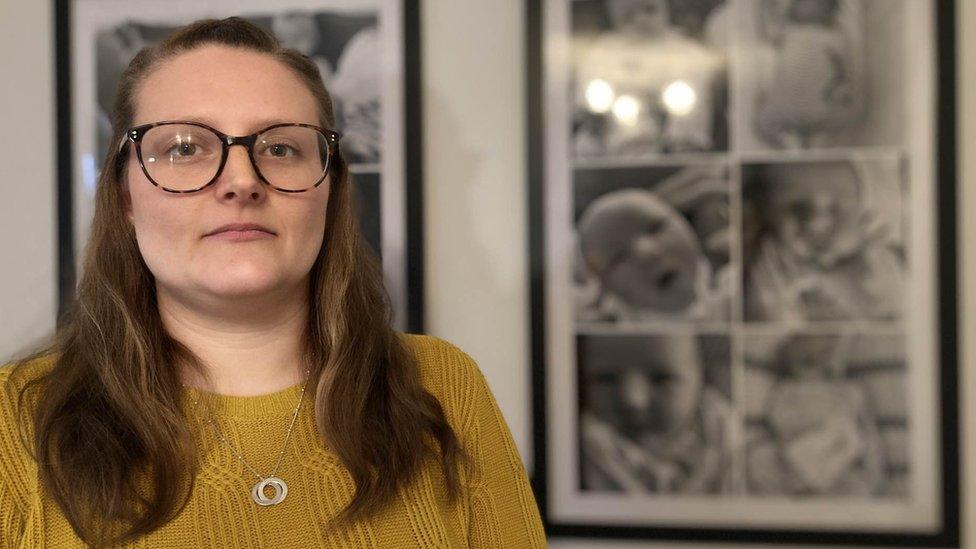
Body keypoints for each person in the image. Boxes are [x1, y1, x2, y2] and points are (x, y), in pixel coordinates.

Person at [0, 18, 544, 548]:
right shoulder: (15, 423)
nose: (241, 182)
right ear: (126, 201)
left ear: (330, 194)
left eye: (281, 148)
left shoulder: (444, 388)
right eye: (185, 148)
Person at [745, 161, 904, 321]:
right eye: (798, 208)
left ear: (863, 215)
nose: (818, 223)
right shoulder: (763, 273)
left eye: (836, 208)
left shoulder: (881, 264)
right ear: (766, 217)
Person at [579, 334, 739, 494]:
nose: (633, 400)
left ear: (702, 379)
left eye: (661, 379)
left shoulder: (720, 427)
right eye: (605, 378)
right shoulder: (588, 442)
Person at [572, 0, 725, 156]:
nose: (641, 20)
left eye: (649, 10)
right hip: (622, 134)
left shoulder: (686, 50)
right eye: (629, 16)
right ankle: (635, 144)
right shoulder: (602, 52)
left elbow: (706, 71)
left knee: (689, 91)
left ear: (665, 9)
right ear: (615, 20)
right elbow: (588, 97)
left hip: (676, 124)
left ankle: (686, 143)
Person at [575, 178, 730, 322]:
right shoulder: (613, 323)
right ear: (604, 285)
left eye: (655, 228)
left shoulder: (729, 277)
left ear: (684, 222)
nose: (646, 253)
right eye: (619, 256)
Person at [747, 333, 885, 495]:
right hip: (796, 451)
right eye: (807, 360)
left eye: (823, 354)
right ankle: (806, 480)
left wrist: (870, 463)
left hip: (838, 456)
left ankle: (813, 480)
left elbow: (864, 432)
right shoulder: (786, 390)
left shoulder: (847, 390)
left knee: (850, 450)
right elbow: (778, 420)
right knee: (761, 458)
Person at [754, 0, 865, 148]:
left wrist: (843, 87)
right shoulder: (788, 30)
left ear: (829, 10)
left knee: (847, 115)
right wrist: (763, 6)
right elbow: (767, 28)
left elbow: (846, 68)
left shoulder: (833, 36)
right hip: (787, 104)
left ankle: (818, 138)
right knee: (763, 121)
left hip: (819, 103)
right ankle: (788, 141)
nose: (799, 5)